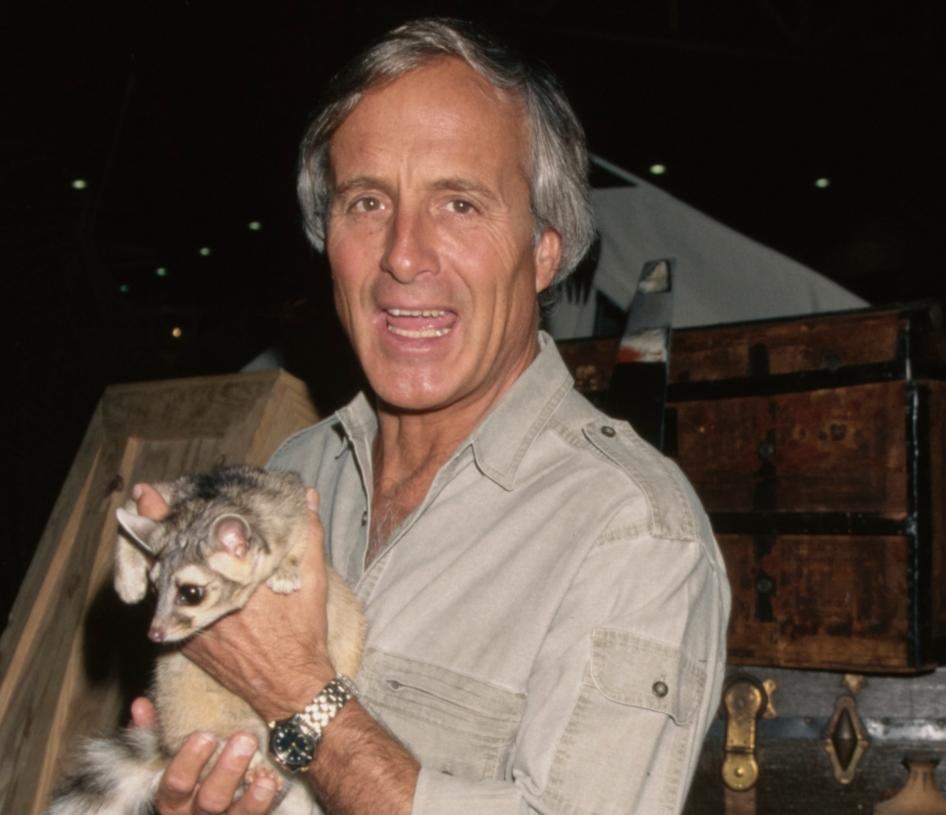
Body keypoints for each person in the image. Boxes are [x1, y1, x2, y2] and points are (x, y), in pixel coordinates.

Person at [131, 17, 729, 814]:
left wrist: (297, 694)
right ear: (326, 237)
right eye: (368, 201)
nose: (404, 254)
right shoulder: (295, 470)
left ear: (545, 248)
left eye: (459, 203)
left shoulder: (635, 533)